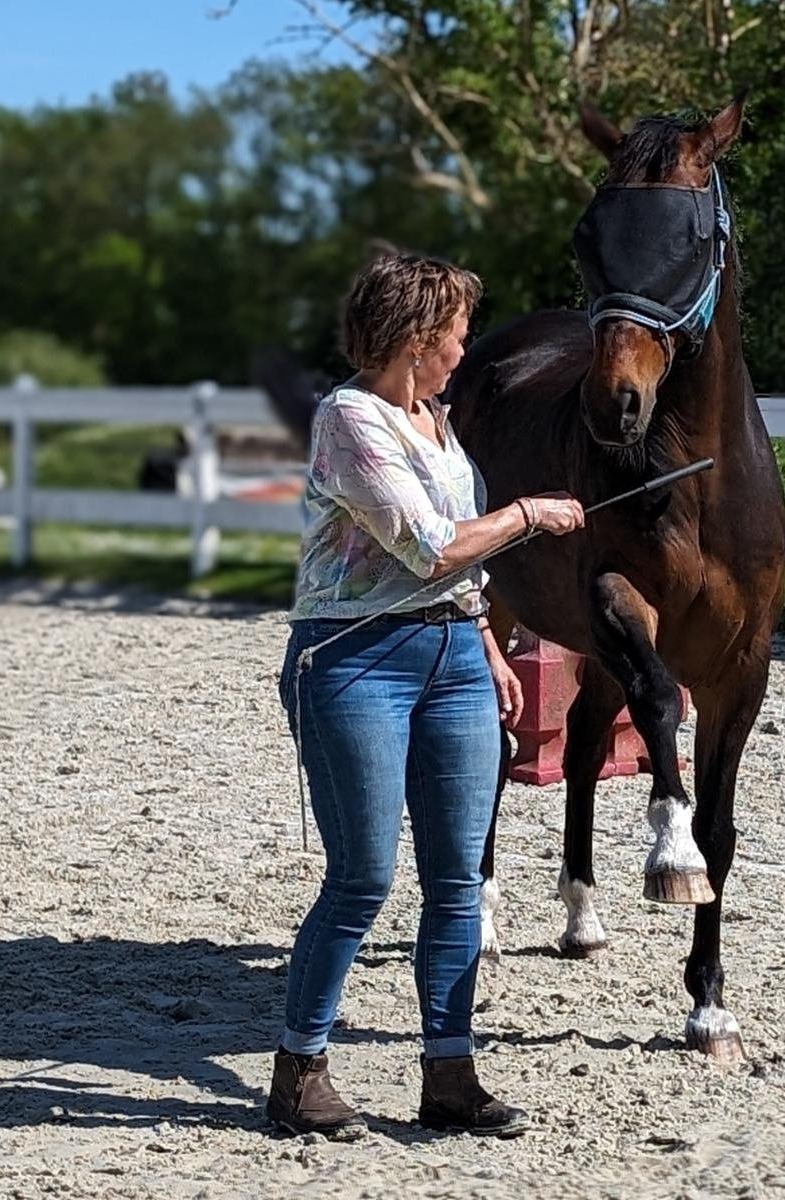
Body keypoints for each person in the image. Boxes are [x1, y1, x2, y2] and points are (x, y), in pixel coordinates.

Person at [268, 252, 584, 1141]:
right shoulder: (350, 419)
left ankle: (450, 1069)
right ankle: (300, 1070)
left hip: (450, 655)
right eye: (455, 335)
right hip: (354, 661)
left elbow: (455, 577)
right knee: (363, 876)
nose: (463, 349)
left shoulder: (440, 425)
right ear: (414, 339)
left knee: (457, 879)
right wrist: (530, 514)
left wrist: (484, 643)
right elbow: (430, 544)